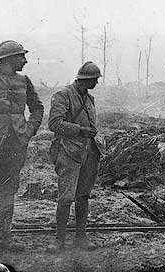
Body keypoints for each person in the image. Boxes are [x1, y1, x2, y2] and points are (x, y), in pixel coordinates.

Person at [0, 41, 44, 258]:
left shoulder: (24, 81)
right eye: (21, 57)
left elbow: (37, 108)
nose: (25, 60)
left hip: (15, 146)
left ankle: (5, 238)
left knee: (9, 190)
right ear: (9, 58)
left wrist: (29, 130)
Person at [48, 62, 105, 251]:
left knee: (83, 196)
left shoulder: (90, 99)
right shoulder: (63, 95)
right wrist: (80, 130)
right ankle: (59, 241)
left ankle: (81, 238)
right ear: (86, 80)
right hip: (68, 152)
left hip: (89, 152)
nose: (97, 82)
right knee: (65, 198)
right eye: (95, 79)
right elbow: (54, 123)